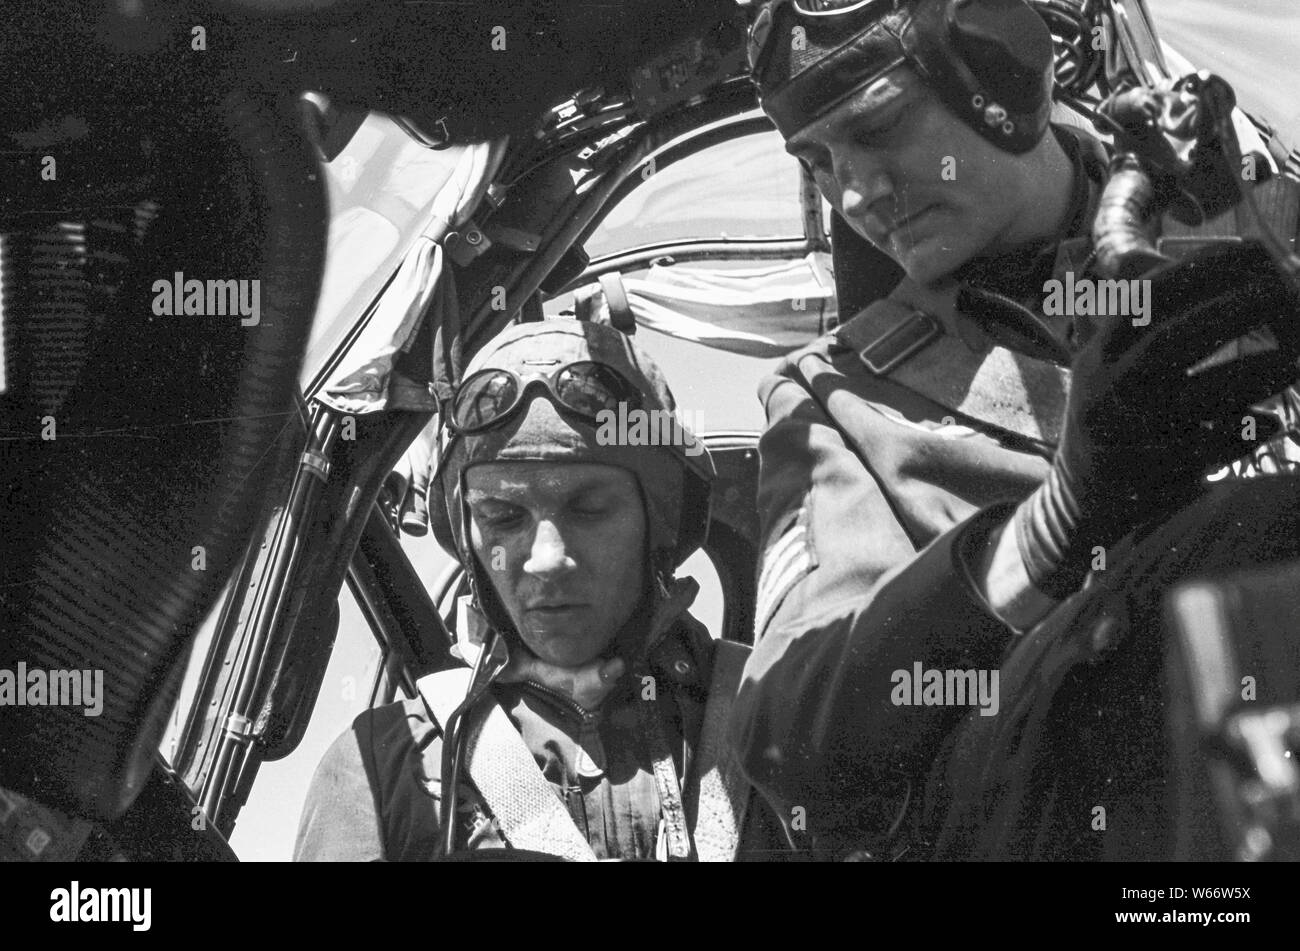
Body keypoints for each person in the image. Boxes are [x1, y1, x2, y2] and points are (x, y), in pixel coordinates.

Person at [732, 0, 1300, 859]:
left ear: (996, 67)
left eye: (880, 126)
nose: (853, 194)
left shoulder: (1251, 231)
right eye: (818, 163)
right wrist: (1055, 529)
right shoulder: (836, 400)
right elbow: (791, 739)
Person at [295, 318, 788, 861]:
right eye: (503, 516)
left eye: (591, 509)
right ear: (469, 540)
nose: (548, 559)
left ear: (660, 522)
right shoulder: (386, 770)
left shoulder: (784, 721)